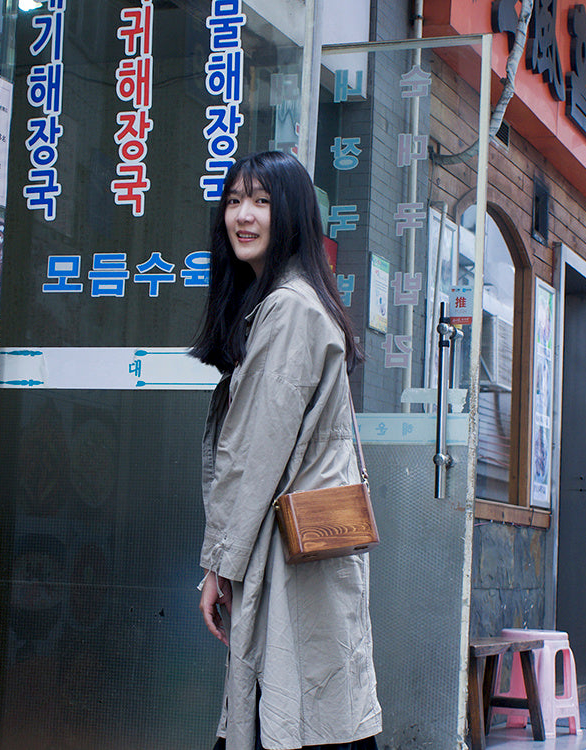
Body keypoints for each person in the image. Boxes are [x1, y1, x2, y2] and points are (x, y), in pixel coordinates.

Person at [192, 151, 381, 750]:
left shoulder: (287, 309)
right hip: (309, 552)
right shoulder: (296, 302)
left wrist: (219, 565)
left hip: (290, 554)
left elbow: (254, 457)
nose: (242, 216)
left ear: (292, 215)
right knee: (318, 708)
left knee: (297, 713)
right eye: (234, 201)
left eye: (262, 202)